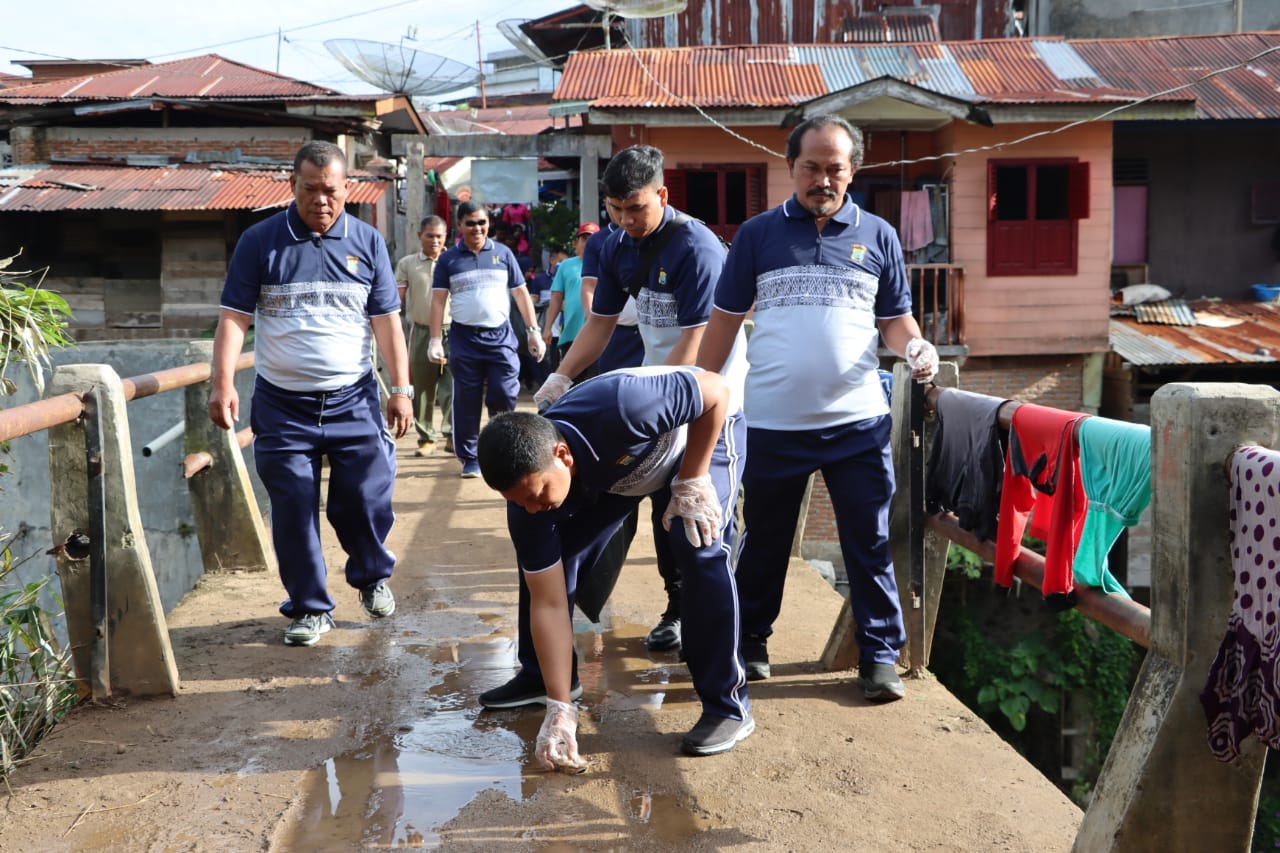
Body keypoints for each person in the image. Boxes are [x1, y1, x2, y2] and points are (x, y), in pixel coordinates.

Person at [697, 115, 940, 702]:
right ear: (791, 168)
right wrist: (698, 389)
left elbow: (893, 319)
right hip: (775, 422)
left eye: (835, 168)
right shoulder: (756, 235)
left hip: (857, 422)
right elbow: (725, 321)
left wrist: (914, 345)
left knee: (870, 539)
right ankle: (752, 642)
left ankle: (881, 655)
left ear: (852, 171)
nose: (823, 179)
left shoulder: (879, 236)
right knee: (766, 540)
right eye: (812, 167)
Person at [528, 144, 750, 660]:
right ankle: (675, 609)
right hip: (656, 393)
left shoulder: (698, 248)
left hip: (708, 398)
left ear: (662, 196)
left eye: (636, 208)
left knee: (697, 516)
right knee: (653, 509)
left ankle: (712, 633)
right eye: (615, 209)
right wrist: (561, 376)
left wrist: (651, 407)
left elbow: (697, 344)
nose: (625, 220)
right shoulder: (611, 246)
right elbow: (600, 325)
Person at [477, 367, 751, 766]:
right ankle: (549, 683)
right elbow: (548, 603)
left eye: (535, 495)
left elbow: (714, 389)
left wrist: (692, 478)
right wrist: (560, 711)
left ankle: (728, 707)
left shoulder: (624, 405)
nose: (531, 507)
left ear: (562, 455)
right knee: (546, 559)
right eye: (517, 501)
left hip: (692, 440)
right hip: (618, 472)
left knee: (696, 544)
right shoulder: (528, 502)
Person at [208, 140, 411, 647]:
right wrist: (222, 381)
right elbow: (235, 318)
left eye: (332, 191)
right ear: (291, 186)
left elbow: (387, 323)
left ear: (348, 189)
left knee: (364, 499)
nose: (322, 201)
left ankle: (371, 575)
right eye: (310, 190)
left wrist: (402, 389)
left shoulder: (367, 243)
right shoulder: (260, 242)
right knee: (294, 506)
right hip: (282, 405)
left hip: (354, 400)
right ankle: (310, 607)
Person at [429, 199, 545, 478]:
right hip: (464, 338)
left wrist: (533, 332)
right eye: (470, 223)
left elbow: (520, 294)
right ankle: (470, 458)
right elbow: (437, 301)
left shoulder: (504, 254)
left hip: (500, 336)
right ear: (460, 226)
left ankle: (500, 450)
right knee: (466, 400)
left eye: (482, 222)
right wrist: (434, 340)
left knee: (505, 393)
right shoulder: (448, 260)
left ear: (488, 223)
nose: (477, 228)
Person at [394, 215, 452, 456]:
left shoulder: (453, 260)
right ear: (420, 236)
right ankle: (426, 437)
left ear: (445, 237)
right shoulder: (407, 263)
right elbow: (398, 297)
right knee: (423, 387)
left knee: (453, 386)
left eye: (439, 236)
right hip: (421, 331)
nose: (435, 241)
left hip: (454, 331)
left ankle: (452, 435)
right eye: (430, 235)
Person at [541, 221, 599, 374]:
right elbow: (556, 298)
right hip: (572, 334)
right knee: (571, 383)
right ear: (575, 243)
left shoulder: (606, 264)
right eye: (584, 239)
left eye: (593, 239)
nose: (588, 243)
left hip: (599, 334)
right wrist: (547, 328)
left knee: (597, 382)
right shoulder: (566, 265)